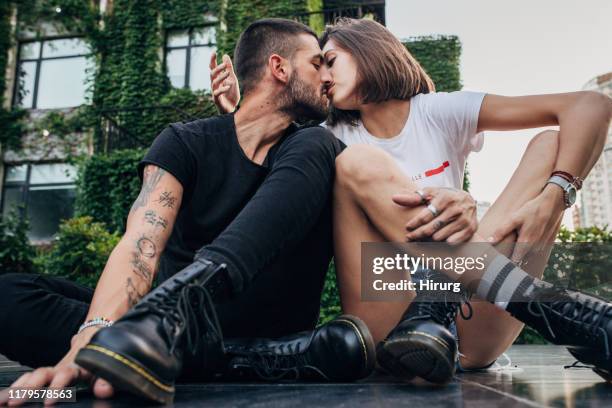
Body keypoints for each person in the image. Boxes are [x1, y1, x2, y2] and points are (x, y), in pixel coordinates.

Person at [211, 17, 612, 384]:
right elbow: (269, 188)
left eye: (329, 61)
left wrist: (556, 198)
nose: (324, 77)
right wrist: (240, 117)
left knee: (550, 143)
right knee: (355, 162)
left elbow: (590, 105)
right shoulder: (329, 134)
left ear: (368, 48)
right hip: (387, 311)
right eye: (318, 67)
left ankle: (433, 308)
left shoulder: (438, 112)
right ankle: (574, 317)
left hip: (470, 318)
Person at [0, 19, 377, 406]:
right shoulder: (185, 141)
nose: (327, 77)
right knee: (9, 294)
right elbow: (140, 245)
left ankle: (157, 337)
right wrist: (95, 332)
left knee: (317, 142)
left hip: (222, 323)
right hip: (175, 330)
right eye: (317, 64)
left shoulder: (314, 146)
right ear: (280, 68)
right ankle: (237, 359)